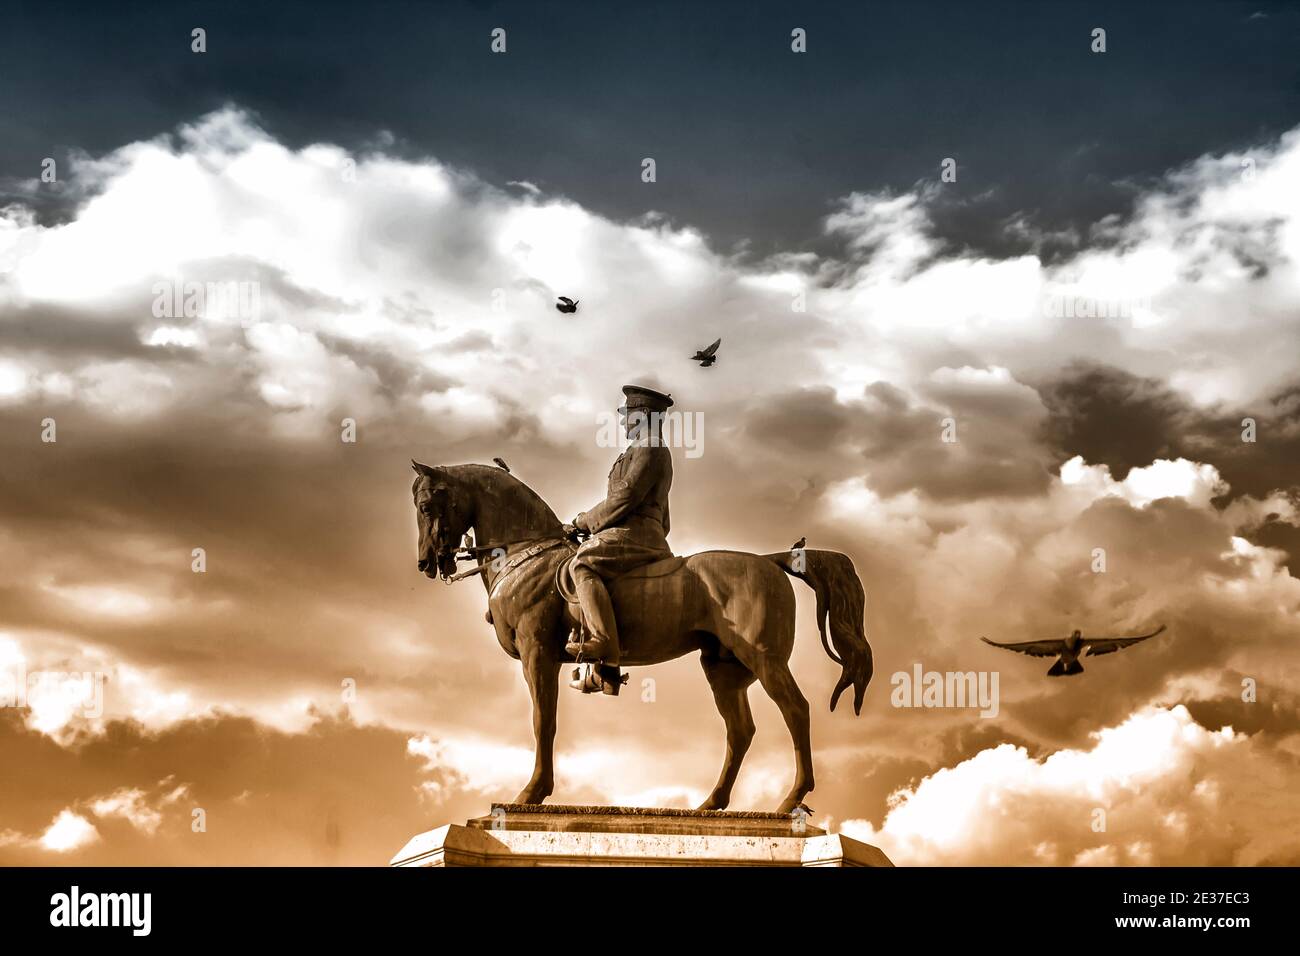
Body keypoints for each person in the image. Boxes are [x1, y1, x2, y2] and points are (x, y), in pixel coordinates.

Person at [563, 385, 675, 694]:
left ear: (643, 417)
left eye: (628, 416)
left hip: (637, 535)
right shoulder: (638, 450)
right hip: (632, 532)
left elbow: (624, 498)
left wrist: (582, 520)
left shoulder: (651, 448)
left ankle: (601, 642)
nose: (624, 422)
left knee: (582, 564)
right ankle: (607, 673)